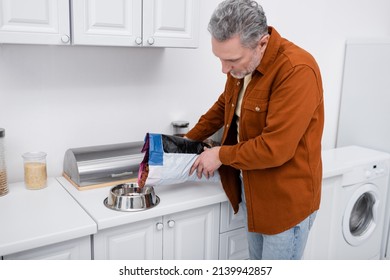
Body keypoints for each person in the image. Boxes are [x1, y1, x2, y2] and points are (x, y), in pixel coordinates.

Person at [186, 0, 324, 260]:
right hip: (253, 192)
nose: (224, 69)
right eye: (220, 59)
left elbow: (276, 148)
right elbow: (223, 106)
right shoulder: (242, 65)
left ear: (261, 43)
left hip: (285, 205)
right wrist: (184, 141)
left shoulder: (297, 70)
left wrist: (220, 155)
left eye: (231, 60)